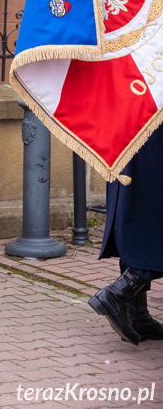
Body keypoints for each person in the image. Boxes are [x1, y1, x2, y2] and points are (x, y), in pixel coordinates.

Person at [89, 127, 163, 345]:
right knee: (150, 216)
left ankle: (137, 315)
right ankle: (118, 294)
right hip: (148, 126)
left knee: (136, 216)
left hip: (131, 126)